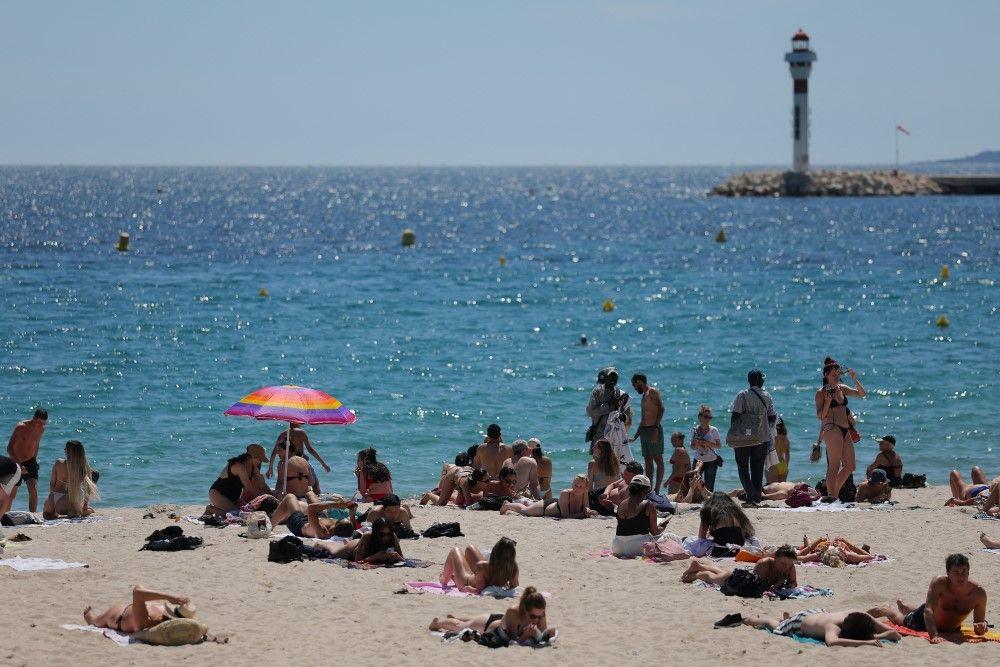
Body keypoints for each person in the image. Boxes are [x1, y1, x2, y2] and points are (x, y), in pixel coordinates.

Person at [870, 553, 988, 643]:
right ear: (948, 573)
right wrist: (934, 635)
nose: (960, 576)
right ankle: (887, 609)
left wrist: (981, 627)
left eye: (964, 572)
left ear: (969, 572)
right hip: (925, 621)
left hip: (949, 627)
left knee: (925, 607)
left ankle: (905, 606)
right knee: (899, 619)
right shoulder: (940, 583)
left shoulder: (978, 594)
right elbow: (928, 610)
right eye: (956, 572)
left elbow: (978, 625)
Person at [430, 586, 556, 646]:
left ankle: (454, 617)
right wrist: (526, 635)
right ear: (525, 610)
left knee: (470, 620)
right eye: (533, 616)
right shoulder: (513, 612)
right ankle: (438, 622)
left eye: (540, 616)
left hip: (502, 619)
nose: (537, 619)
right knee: (461, 626)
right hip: (490, 626)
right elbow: (511, 640)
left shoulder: (540, 612)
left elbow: (542, 635)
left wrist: (547, 633)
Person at [815, 357, 867, 501]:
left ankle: (833, 494)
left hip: (845, 429)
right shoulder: (821, 392)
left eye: (839, 374)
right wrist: (828, 402)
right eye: (834, 374)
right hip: (832, 429)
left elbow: (862, 394)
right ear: (826, 375)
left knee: (850, 466)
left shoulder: (842, 388)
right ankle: (832, 496)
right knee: (834, 466)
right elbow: (821, 416)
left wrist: (854, 378)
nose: (837, 376)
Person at [729, 369, 777, 506]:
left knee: (742, 467)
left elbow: (735, 415)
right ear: (760, 381)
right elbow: (772, 417)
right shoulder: (767, 396)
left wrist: (734, 433)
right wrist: (767, 430)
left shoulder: (742, 395)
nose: (763, 380)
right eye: (762, 379)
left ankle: (751, 494)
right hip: (761, 438)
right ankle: (755, 497)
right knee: (757, 468)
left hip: (743, 439)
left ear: (749, 381)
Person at [743, 610, 901, 647]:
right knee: (776, 626)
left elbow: (892, 632)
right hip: (800, 622)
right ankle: (755, 619)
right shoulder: (832, 628)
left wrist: (880, 635)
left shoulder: (860, 615)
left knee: (785, 621)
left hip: (817, 613)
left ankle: (786, 618)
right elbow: (832, 643)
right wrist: (867, 643)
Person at [681, 544, 798, 592]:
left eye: (789, 564)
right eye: (783, 563)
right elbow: (756, 585)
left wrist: (788, 583)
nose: (786, 567)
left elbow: (793, 583)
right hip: (740, 579)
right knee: (713, 578)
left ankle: (700, 566)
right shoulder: (765, 564)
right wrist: (779, 582)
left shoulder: (789, 567)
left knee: (723, 573)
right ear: (775, 558)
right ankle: (696, 574)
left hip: (739, 575)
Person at [83, 585, 196, 634]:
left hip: (116, 616)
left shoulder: (147, 622)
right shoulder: (161, 616)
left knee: (95, 621)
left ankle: (91, 618)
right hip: (133, 608)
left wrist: (169, 597)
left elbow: (137, 591)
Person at [612, 475, 670, 556]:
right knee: (670, 537)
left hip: (617, 547)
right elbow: (654, 532)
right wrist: (663, 526)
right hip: (638, 547)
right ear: (645, 490)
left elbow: (626, 526)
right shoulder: (648, 504)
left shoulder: (621, 504)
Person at [42, 440, 100, 520]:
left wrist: (52, 499)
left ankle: (55, 512)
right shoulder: (82, 468)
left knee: (47, 515)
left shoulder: (58, 463)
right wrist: (85, 505)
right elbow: (89, 488)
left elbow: (52, 484)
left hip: (55, 498)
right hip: (72, 501)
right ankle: (79, 510)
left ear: (66, 451)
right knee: (87, 511)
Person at [266, 423, 331, 493]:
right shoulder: (301, 433)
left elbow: (274, 452)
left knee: (281, 482)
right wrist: (323, 463)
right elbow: (310, 449)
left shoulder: (283, 434)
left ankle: (278, 497)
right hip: (300, 462)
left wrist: (270, 468)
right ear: (297, 423)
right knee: (315, 485)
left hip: (285, 462)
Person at [440, 536, 519, 592]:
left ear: (495, 552)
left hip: (466, 581)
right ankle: (454, 577)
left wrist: (468, 589)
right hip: (478, 577)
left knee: (455, 550)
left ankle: (444, 580)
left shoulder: (482, 566)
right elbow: (514, 586)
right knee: (470, 548)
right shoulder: (514, 567)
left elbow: (478, 591)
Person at [312, 516, 404, 564]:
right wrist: (376, 557)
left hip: (358, 546)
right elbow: (357, 562)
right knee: (333, 550)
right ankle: (320, 543)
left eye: (388, 534)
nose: (386, 537)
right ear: (375, 533)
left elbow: (402, 559)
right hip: (352, 549)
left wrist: (397, 557)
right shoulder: (367, 536)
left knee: (343, 543)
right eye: (382, 535)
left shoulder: (393, 536)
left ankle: (345, 541)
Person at [629, 373, 665, 494]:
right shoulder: (644, 396)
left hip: (653, 429)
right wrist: (635, 436)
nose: (634, 388)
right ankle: (648, 489)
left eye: (634, 385)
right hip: (644, 431)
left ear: (639, 381)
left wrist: (655, 428)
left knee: (658, 459)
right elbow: (644, 419)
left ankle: (657, 489)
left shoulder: (652, 392)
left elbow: (661, 408)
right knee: (648, 461)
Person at [6, 408, 47, 512]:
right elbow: (9, 448)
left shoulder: (41, 429)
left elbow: (36, 444)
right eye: (39, 422)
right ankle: (5, 516)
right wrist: (19, 465)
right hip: (16, 461)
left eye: (43, 423)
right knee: (12, 493)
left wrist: (34, 460)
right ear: (34, 418)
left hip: (30, 461)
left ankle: (32, 515)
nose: (40, 425)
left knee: (33, 488)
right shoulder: (20, 427)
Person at [500, 474, 597, 518]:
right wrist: (584, 514)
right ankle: (507, 505)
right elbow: (565, 516)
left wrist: (588, 510)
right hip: (546, 508)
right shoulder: (566, 493)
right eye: (576, 485)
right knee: (525, 511)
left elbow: (586, 506)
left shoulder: (585, 493)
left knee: (528, 507)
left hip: (556, 503)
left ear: (585, 487)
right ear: (572, 485)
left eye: (581, 486)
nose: (578, 488)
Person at [207, 445, 268, 513]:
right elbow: (249, 488)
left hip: (235, 498)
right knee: (236, 515)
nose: (261, 462)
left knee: (249, 513)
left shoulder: (253, 467)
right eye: (260, 459)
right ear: (252, 457)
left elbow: (262, 484)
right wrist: (265, 497)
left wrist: (270, 494)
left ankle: (220, 510)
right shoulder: (239, 466)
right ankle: (211, 509)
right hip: (218, 494)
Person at [271, 494, 357, 539]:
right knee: (310, 494)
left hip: (299, 524)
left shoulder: (323, 532)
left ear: (336, 526)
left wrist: (336, 505)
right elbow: (354, 529)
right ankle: (299, 503)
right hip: (319, 518)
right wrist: (352, 514)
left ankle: (270, 526)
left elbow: (311, 508)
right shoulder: (344, 529)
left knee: (289, 497)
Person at [587, 368, 625, 450]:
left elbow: (628, 415)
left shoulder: (620, 393)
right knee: (599, 460)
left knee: (615, 461)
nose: (613, 379)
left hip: (616, 434)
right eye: (611, 376)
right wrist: (608, 406)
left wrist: (624, 416)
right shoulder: (597, 392)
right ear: (605, 378)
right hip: (600, 433)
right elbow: (590, 412)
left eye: (615, 377)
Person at [691, 405, 722, 492]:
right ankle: (698, 503)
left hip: (711, 461)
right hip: (697, 461)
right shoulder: (695, 430)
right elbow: (692, 447)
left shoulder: (714, 430)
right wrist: (697, 444)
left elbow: (719, 445)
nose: (708, 419)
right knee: (696, 485)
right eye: (706, 417)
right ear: (700, 417)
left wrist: (707, 443)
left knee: (709, 487)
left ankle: (708, 504)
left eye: (709, 417)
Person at [796, 535, 877, 566]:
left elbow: (797, 557)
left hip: (819, 548)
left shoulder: (819, 555)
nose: (835, 544)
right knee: (860, 553)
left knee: (811, 545)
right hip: (826, 550)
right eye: (838, 546)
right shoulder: (848, 555)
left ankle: (807, 541)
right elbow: (870, 557)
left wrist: (817, 542)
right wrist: (846, 543)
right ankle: (808, 542)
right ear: (843, 552)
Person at [729, 481, 820, 504]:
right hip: (767, 485)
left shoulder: (784, 493)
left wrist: (756, 494)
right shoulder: (793, 486)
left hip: (762, 489)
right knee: (736, 491)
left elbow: (764, 497)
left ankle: (726, 496)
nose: (801, 482)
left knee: (737, 492)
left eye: (801, 484)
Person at [767, 416, 790, 483]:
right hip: (783, 465)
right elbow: (787, 455)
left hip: (773, 465)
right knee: (781, 488)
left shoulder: (771, 437)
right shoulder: (786, 438)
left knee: (772, 489)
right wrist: (786, 467)